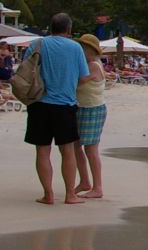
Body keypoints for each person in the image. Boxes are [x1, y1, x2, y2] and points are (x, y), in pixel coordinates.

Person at [21, 13, 92, 205]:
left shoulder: (37, 44)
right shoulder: (75, 47)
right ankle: (70, 194)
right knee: (67, 151)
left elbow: (25, 71)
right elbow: (83, 76)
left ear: (50, 27)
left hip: (39, 103)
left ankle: (48, 194)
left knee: (42, 152)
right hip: (65, 105)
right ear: (69, 29)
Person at [73, 34, 108, 199]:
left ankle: (98, 187)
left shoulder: (93, 65)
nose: (80, 50)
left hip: (93, 109)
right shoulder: (88, 63)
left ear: (90, 50)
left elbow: (78, 82)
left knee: (91, 148)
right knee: (76, 146)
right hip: (83, 108)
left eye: (83, 47)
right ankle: (85, 181)